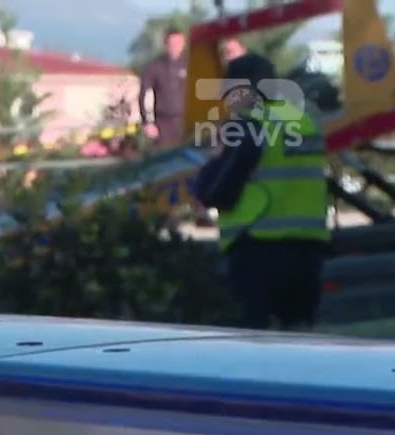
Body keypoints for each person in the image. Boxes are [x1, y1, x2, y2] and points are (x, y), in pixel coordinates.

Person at [194, 53, 330, 330]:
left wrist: (212, 161)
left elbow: (215, 191)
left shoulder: (249, 124)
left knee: (254, 340)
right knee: (301, 337)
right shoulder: (305, 121)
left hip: (258, 245)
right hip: (308, 247)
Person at [138, 28, 189, 147]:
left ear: (184, 44)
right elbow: (144, 95)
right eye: (172, 43)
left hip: (186, 122)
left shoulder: (190, 65)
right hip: (163, 124)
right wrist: (147, 123)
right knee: (165, 155)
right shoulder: (155, 67)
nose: (175, 46)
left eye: (178, 43)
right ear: (166, 45)